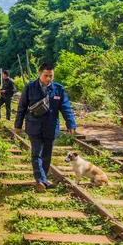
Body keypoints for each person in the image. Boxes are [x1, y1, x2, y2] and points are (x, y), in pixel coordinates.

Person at [14, 62, 76, 193]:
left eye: (51, 76)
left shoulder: (58, 89)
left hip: (51, 127)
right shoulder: (30, 88)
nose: (48, 79)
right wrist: (17, 125)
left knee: (47, 155)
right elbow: (22, 108)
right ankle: (40, 180)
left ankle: (43, 177)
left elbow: (65, 107)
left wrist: (70, 123)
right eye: (46, 75)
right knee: (36, 153)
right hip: (34, 126)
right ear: (40, 74)